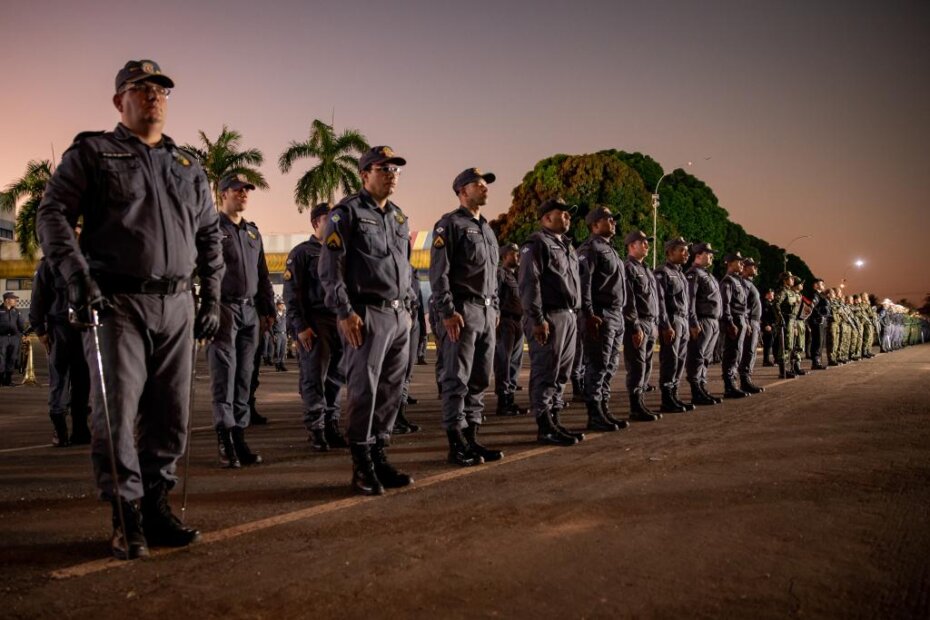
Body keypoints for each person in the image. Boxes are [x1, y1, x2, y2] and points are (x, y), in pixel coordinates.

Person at [36, 59, 224, 560]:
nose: (153, 96)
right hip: (117, 303)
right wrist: (76, 276)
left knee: (171, 414)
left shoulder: (188, 166)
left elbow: (210, 234)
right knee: (116, 413)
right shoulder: (94, 153)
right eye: (140, 88)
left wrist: (213, 293)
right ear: (120, 100)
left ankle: (158, 506)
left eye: (160, 89)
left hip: (179, 304)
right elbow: (52, 213)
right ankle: (125, 515)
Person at [319, 145, 414, 495]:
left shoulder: (399, 217)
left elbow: (404, 267)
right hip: (365, 313)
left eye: (395, 169)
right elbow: (330, 268)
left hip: (398, 313)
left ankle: (379, 454)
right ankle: (361, 464)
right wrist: (344, 312)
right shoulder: (347, 214)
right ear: (364, 174)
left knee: (390, 389)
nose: (391, 174)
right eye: (383, 168)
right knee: (365, 389)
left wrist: (410, 310)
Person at [430, 167, 503, 466]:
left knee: (480, 378)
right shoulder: (449, 225)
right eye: (478, 184)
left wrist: (495, 306)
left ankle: (472, 437)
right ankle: (456, 441)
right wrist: (447, 311)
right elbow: (439, 273)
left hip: (487, 311)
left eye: (486, 184)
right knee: (456, 379)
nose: (485, 188)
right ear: (462, 191)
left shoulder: (487, 229)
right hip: (463, 310)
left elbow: (493, 274)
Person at [208, 173, 275, 469]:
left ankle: (239, 435)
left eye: (246, 190)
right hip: (223, 309)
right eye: (237, 190)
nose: (243, 194)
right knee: (225, 374)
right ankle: (224, 438)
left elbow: (262, 274)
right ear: (223, 194)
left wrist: (267, 309)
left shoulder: (252, 233)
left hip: (250, 313)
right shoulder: (211, 229)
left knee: (245, 376)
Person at [518, 198, 585, 446]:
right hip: (549, 316)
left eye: (569, 214)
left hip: (569, 315)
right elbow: (529, 283)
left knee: (562, 373)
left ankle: (555, 419)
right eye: (562, 213)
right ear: (546, 218)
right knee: (546, 370)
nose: (567, 217)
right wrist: (537, 318)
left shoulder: (567, 246)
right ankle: (544, 425)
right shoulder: (536, 244)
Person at [283, 203, 347, 452]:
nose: (333, 223)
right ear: (315, 223)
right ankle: (316, 429)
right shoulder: (302, 252)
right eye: (327, 219)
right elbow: (292, 293)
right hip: (315, 322)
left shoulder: (341, 250)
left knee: (336, 378)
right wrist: (300, 326)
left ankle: (332, 424)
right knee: (313, 378)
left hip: (339, 321)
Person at [30, 253, 92, 446]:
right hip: (60, 329)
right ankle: (60, 430)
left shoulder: (89, 259)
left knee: (83, 382)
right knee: (59, 380)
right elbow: (38, 296)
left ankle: (81, 429)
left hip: (85, 330)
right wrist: (39, 329)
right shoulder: (49, 263)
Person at [577, 207, 631, 429]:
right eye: (608, 219)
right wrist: (589, 314)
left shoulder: (610, 250)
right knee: (597, 366)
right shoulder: (590, 249)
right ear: (595, 225)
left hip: (615, 315)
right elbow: (584, 284)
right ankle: (594, 414)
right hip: (600, 314)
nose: (613, 222)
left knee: (609, 366)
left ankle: (603, 408)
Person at [622, 230, 662, 421]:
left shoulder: (646, 269)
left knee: (646, 365)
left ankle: (641, 402)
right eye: (642, 242)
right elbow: (628, 300)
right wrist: (634, 326)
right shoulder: (628, 268)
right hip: (638, 322)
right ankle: (635, 405)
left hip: (650, 322)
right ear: (631, 246)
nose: (647, 245)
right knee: (637, 366)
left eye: (647, 242)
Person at [653, 237, 694, 413]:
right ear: (670, 252)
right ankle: (667, 398)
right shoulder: (663, 272)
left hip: (683, 320)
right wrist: (665, 325)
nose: (687, 254)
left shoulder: (680, 273)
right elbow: (660, 301)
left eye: (687, 250)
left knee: (680, 360)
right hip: (672, 320)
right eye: (682, 250)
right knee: (670, 359)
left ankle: (674, 394)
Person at [685, 242, 722, 406]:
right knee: (697, 356)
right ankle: (695, 390)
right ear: (698, 255)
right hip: (702, 319)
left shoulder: (707, 274)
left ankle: (701, 385)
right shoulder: (694, 274)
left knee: (706, 358)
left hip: (712, 321)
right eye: (709, 253)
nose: (712, 256)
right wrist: (693, 322)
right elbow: (690, 300)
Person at [494, 243, 527, 416]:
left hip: (518, 322)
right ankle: (503, 401)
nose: (518, 257)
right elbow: (495, 296)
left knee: (515, 362)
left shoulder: (518, 276)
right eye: (514, 254)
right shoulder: (500, 274)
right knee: (503, 362)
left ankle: (511, 399)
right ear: (505, 256)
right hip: (505, 321)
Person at [719, 252, 749, 398]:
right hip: (734, 321)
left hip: (741, 320)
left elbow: (743, 305)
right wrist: (730, 322)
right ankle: (729, 386)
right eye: (739, 261)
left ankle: (734, 382)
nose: (742, 264)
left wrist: (746, 322)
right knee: (731, 353)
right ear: (730, 263)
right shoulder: (728, 281)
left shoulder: (738, 281)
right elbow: (725, 304)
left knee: (738, 352)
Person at [738, 257, 765, 394]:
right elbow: (742, 305)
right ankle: (744, 380)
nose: (756, 269)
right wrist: (747, 322)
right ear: (745, 267)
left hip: (754, 321)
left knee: (751, 351)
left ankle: (747, 378)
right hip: (749, 321)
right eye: (753, 266)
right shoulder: (743, 283)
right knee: (748, 351)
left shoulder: (749, 283)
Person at [773, 272, 803, 378]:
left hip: (792, 320)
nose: (793, 280)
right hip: (786, 320)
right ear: (784, 280)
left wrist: (794, 324)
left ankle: (790, 368)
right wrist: (780, 318)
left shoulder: (791, 292)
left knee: (790, 345)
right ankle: (783, 371)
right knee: (785, 346)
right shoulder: (782, 291)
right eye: (791, 278)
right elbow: (776, 304)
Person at [1, 292, 27, 386]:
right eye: (13, 299)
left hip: (14, 339)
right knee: (1, 358)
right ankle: (1, 379)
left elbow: (21, 325)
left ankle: (8, 380)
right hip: (2, 338)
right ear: (7, 300)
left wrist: (23, 334)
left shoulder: (16, 311)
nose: (16, 300)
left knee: (12, 358)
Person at [809, 279, 830, 370]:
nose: (823, 285)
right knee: (817, 342)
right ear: (816, 285)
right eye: (821, 284)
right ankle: (815, 362)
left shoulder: (821, 295)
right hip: (817, 321)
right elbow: (812, 307)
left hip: (822, 321)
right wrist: (820, 316)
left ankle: (818, 361)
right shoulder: (815, 295)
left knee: (820, 342)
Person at [760, 289, 776, 366]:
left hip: (771, 325)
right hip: (767, 325)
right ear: (767, 294)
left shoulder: (770, 303)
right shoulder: (764, 303)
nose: (773, 295)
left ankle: (769, 360)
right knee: (767, 343)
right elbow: (763, 316)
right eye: (771, 294)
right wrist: (766, 325)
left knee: (770, 342)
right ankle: (766, 361)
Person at [272, 300, 288, 371]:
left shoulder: (285, 314)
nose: (282, 306)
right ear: (277, 306)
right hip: (277, 334)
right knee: (277, 350)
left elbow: (288, 324)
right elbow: (271, 326)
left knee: (283, 350)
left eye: (283, 304)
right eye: (280, 304)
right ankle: (277, 364)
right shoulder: (274, 315)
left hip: (284, 334)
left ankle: (282, 364)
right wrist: (273, 335)